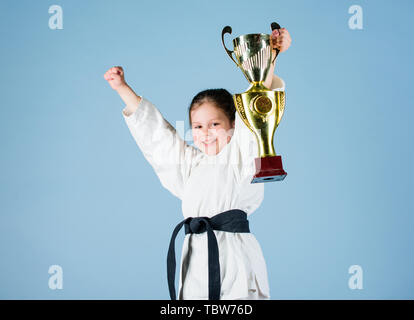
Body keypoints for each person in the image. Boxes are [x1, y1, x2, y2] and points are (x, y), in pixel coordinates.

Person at [104, 27, 292, 300]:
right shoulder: (191, 164)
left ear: (234, 124)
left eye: (215, 124)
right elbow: (157, 137)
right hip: (194, 257)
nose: (205, 132)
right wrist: (122, 89)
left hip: (236, 258)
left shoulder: (242, 152)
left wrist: (270, 60)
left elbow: (257, 113)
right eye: (197, 126)